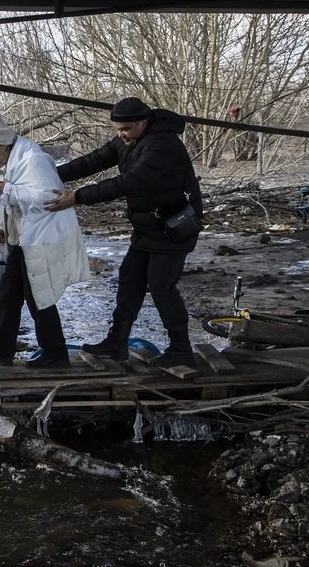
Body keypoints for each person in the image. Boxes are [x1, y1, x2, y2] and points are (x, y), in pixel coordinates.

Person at [45, 97, 203, 367]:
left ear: (143, 122)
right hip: (148, 226)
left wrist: (78, 197)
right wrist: (49, 174)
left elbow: (129, 182)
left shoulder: (161, 145)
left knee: (161, 287)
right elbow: (93, 161)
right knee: (130, 281)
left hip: (174, 228)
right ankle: (116, 343)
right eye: (118, 130)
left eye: (126, 129)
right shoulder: (128, 139)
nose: (121, 135)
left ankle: (181, 350)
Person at [0, 113, 91, 368]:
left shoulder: (34, 160)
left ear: (3, 145)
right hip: (21, 239)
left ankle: (56, 353)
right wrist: (3, 228)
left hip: (42, 238)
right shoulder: (11, 161)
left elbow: (47, 197)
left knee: (38, 296)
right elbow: (11, 203)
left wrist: (10, 190)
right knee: (9, 294)